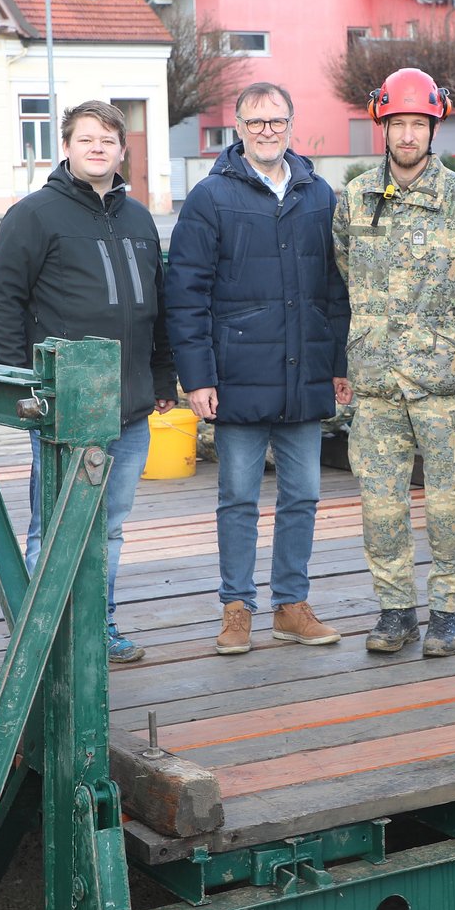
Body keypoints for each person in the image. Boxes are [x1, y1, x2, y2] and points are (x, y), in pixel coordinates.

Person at [0, 100, 176, 664]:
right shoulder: (34, 215)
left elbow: (158, 306)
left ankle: (98, 625)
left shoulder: (138, 218)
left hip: (130, 404)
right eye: (86, 138)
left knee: (110, 526)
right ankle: (40, 633)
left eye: (108, 140)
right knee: (53, 525)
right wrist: (20, 382)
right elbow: (4, 302)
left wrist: (162, 376)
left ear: (121, 150)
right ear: (66, 147)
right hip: (63, 404)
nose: (98, 148)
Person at [167, 81, 351, 655]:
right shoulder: (210, 197)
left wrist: (338, 363)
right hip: (237, 375)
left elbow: (336, 289)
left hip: (304, 372)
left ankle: (291, 605)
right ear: (238, 128)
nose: (267, 130)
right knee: (238, 499)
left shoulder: (319, 195)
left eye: (276, 121)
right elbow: (186, 293)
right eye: (255, 122)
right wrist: (197, 377)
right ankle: (237, 607)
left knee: (303, 496)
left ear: (291, 125)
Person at [332, 67, 455, 658]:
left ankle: (447, 614)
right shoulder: (355, 199)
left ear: (433, 127)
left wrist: (445, 342)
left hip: (442, 384)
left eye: (417, 124)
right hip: (376, 382)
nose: (407, 135)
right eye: (397, 123)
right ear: (382, 125)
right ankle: (395, 611)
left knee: (449, 505)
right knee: (380, 506)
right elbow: (345, 272)